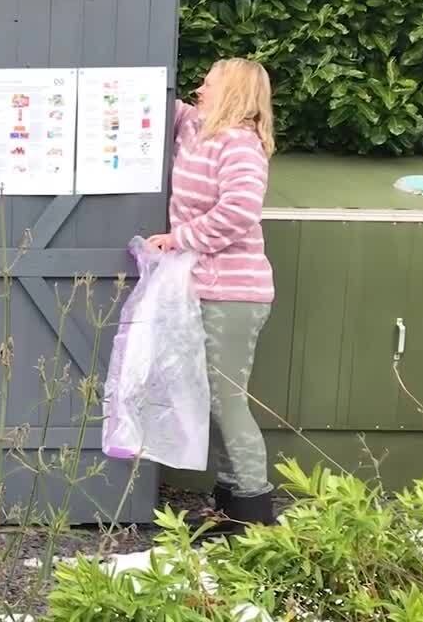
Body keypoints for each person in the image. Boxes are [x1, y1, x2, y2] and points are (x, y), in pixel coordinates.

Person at [146, 58, 277, 532]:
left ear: (235, 94)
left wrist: (180, 238)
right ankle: (230, 505)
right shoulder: (194, 128)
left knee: (226, 401)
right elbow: (155, 100)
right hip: (205, 288)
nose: (200, 87)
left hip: (235, 294)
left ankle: (254, 513)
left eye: (210, 82)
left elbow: (240, 211)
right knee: (213, 400)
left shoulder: (239, 145)